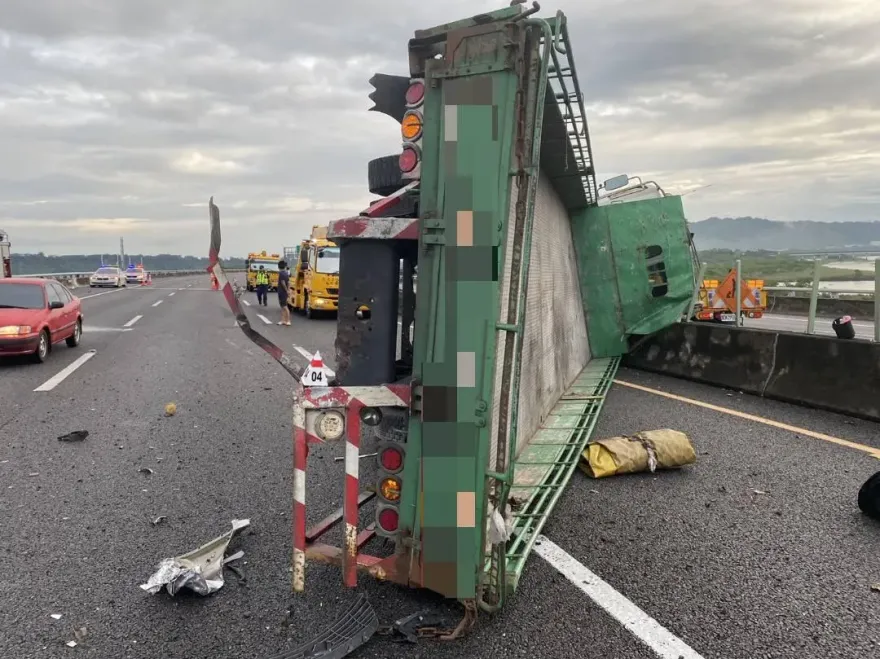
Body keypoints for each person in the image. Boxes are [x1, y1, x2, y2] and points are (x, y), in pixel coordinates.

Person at [277, 260, 291, 325]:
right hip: (283, 292)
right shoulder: (286, 273)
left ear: (279, 266)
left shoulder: (281, 273)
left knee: (285, 306)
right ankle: (283, 320)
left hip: (282, 292)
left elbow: (283, 283)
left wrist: (286, 290)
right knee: (282, 306)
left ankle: (288, 320)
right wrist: (288, 290)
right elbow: (288, 282)